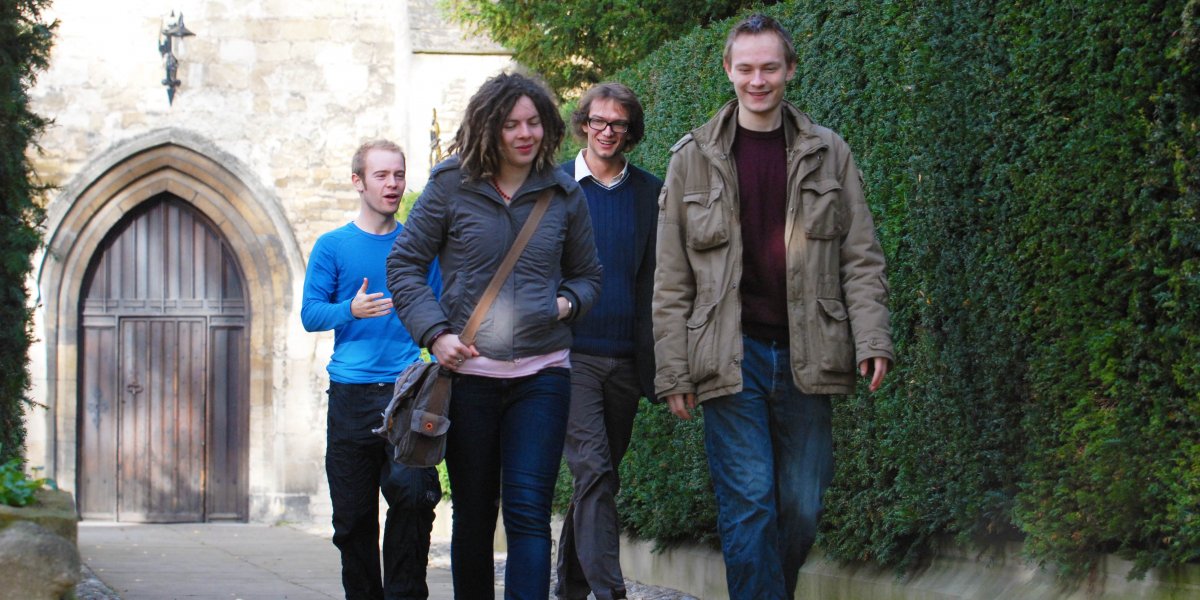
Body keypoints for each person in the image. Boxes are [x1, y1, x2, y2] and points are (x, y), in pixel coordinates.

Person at [653, 14, 894, 600]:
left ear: (789, 69)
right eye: (745, 68)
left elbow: (860, 255)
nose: (757, 80)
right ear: (728, 71)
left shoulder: (828, 151)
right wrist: (672, 369)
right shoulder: (692, 157)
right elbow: (671, 276)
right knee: (750, 502)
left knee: (803, 504)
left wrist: (873, 336)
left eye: (768, 67)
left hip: (808, 352)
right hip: (727, 355)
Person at [385, 72, 602, 600]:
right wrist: (435, 333)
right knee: (476, 515)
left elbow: (588, 275)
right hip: (470, 378)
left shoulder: (562, 189)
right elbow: (405, 265)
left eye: (533, 122)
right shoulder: (449, 186)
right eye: (511, 124)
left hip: (542, 373)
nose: (525, 134)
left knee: (529, 511)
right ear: (489, 127)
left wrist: (567, 302)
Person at [301, 139, 443, 600]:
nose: (393, 184)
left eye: (399, 175)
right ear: (358, 181)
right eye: (382, 176)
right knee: (352, 520)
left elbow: (441, 311)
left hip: (407, 392)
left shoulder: (419, 246)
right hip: (350, 398)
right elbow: (311, 315)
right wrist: (351, 309)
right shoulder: (333, 246)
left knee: (414, 497)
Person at [553, 83, 660, 600]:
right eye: (599, 121)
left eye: (618, 124)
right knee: (593, 468)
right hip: (568, 355)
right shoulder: (552, 187)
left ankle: (571, 585)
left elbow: (660, 278)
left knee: (598, 477)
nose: (607, 131)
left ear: (630, 131)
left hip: (627, 359)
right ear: (583, 124)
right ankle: (610, 593)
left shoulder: (649, 192)